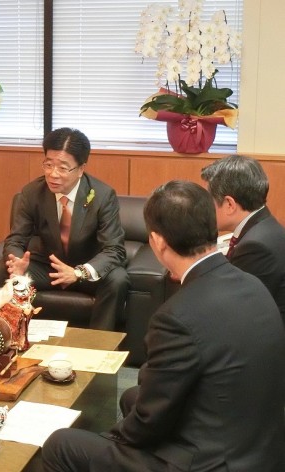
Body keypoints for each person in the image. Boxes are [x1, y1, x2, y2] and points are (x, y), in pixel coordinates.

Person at [42, 180, 285, 472]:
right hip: (261, 444)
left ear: (157, 241)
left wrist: (111, 440)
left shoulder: (176, 316)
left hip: (210, 462)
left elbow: (147, 422)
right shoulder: (253, 284)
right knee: (131, 397)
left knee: (61, 444)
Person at [0, 127, 128, 330]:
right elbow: (16, 239)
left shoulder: (102, 196)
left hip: (85, 269)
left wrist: (79, 272)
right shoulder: (32, 193)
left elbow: (114, 249)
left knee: (117, 279)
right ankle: (12, 334)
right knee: (1, 269)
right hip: (49, 268)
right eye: (48, 165)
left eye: (63, 168)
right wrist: (17, 262)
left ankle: (99, 341)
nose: (52, 174)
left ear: (81, 169)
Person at [201, 154, 285, 322]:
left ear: (229, 204)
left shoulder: (255, 247)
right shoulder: (264, 224)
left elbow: (229, 304)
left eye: (208, 201)